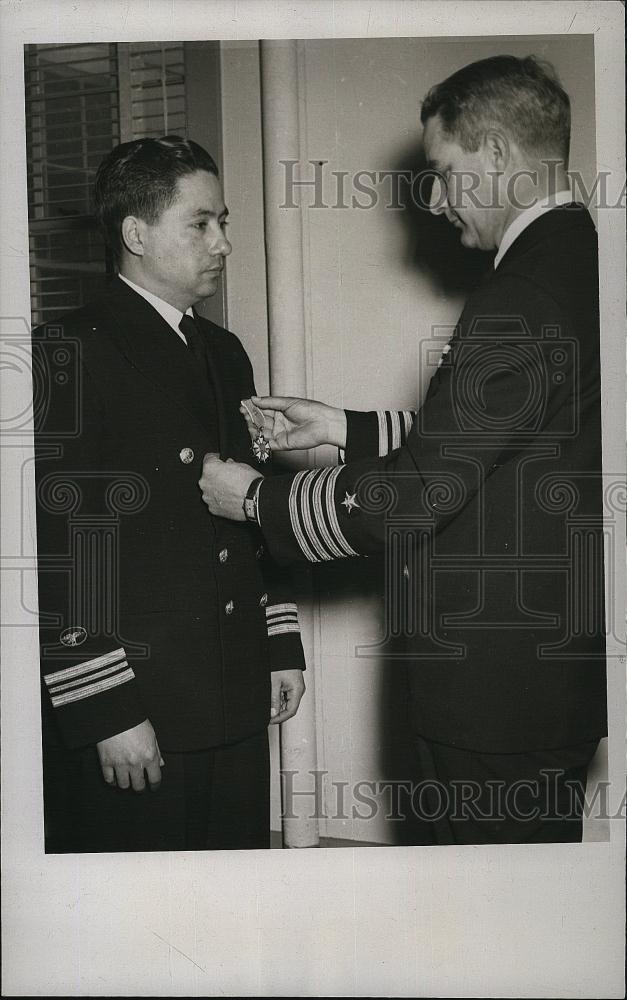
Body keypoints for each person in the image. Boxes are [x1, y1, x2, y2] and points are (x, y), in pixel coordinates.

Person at [199, 55, 607, 845]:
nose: (437, 198)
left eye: (443, 172)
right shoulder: (580, 264)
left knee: (481, 934)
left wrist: (255, 501)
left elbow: (421, 493)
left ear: (494, 154)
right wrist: (340, 427)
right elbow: (512, 444)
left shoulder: (519, 292)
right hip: (541, 681)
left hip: (490, 697)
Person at [33, 136, 305, 853]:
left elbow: (250, 510)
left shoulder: (223, 351)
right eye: (201, 223)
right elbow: (60, 549)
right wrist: (105, 710)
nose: (223, 243)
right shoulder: (69, 351)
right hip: (138, 705)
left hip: (229, 687)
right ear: (135, 234)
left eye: (224, 222)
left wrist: (278, 645)